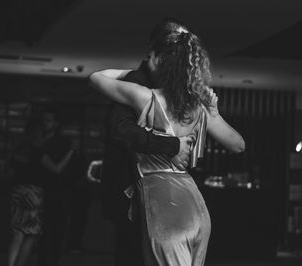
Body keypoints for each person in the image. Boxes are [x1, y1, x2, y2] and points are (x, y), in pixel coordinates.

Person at [89, 29, 245, 265]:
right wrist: (215, 114)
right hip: (196, 206)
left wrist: (131, 73)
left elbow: (96, 78)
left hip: (164, 206)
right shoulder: (200, 108)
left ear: (166, 66)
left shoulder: (145, 97)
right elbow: (238, 145)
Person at [100, 18, 196, 266]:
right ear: (157, 51)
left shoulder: (166, 86)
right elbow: (120, 131)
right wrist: (173, 146)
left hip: (150, 194)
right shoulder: (136, 81)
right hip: (129, 192)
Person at [37, 107, 78, 266]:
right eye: (43, 121)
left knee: (56, 230)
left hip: (58, 193)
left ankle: (52, 261)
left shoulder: (63, 143)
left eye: (48, 120)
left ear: (56, 123)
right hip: (40, 190)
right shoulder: (39, 141)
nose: (44, 124)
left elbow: (69, 170)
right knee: (41, 232)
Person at [8, 119, 45, 266]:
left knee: (17, 234)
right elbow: (55, 169)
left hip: (17, 192)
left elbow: (9, 170)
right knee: (31, 234)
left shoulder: (18, 149)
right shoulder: (39, 151)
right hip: (33, 194)